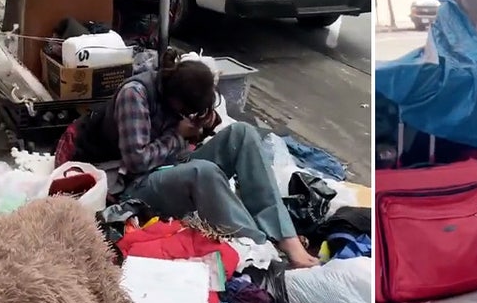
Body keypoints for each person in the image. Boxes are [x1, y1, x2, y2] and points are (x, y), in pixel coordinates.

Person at [56, 50, 318, 268]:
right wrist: (177, 136)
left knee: (242, 133)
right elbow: (135, 161)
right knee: (203, 172)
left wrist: (204, 122)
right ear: (174, 100)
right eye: (188, 111)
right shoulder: (135, 96)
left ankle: (285, 237)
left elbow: (200, 126)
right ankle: (259, 249)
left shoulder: (178, 93)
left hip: (169, 165)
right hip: (131, 182)